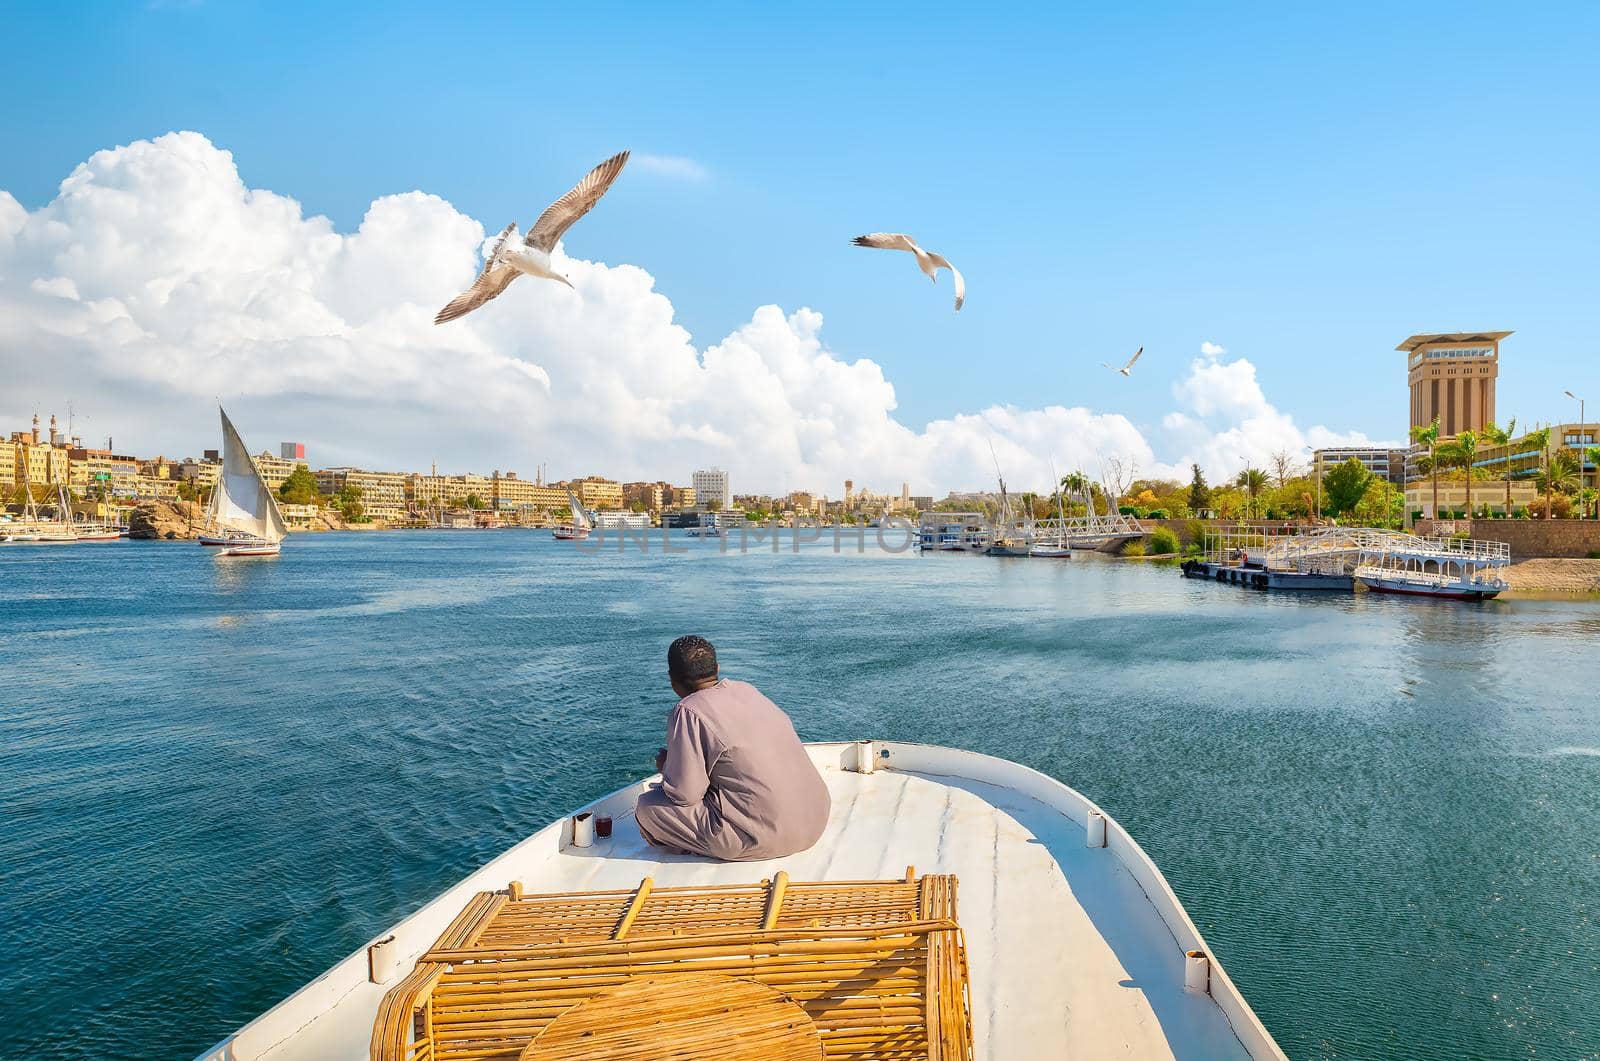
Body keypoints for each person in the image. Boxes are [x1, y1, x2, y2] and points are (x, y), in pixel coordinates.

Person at [635, 635, 831, 861]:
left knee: (648, 806)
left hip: (764, 837)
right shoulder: (747, 690)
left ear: (672, 680)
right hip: (815, 821)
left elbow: (684, 795)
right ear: (717, 668)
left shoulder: (688, 711)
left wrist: (667, 766)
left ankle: (695, 847)